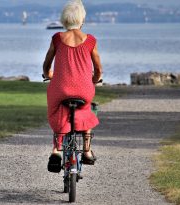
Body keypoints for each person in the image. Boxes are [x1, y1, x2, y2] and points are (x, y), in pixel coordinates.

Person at [43, 0, 103, 172]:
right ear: (81, 19)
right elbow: (98, 68)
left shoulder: (57, 38)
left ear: (64, 20)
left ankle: (56, 150)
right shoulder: (90, 40)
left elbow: (47, 64)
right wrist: (94, 79)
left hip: (60, 88)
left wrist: (49, 75)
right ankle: (87, 150)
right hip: (84, 89)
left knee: (57, 110)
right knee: (86, 111)